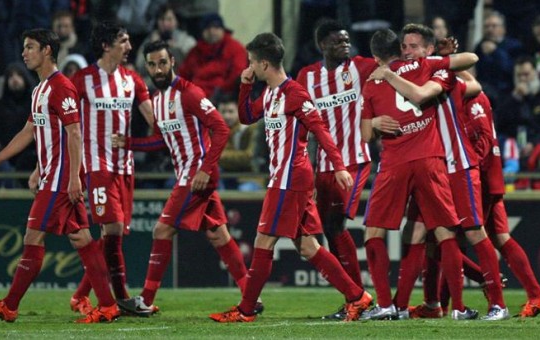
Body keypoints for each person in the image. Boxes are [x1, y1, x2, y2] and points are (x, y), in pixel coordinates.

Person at [209, 32, 372, 323]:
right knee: (308, 246)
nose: (248, 68)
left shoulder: (294, 93)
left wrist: (339, 166)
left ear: (263, 63)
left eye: (251, 64)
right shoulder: (270, 94)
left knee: (263, 240)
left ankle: (246, 310)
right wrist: (245, 85)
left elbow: (321, 130)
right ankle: (357, 297)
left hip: (290, 179)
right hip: (284, 178)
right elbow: (246, 116)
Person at [0, 28, 118, 324]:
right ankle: (107, 304)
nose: (24, 53)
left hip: (60, 181)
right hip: (52, 176)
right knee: (82, 239)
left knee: (33, 236)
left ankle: (9, 306)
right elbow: (31, 131)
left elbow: (74, 133)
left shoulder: (61, 87)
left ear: (47, 51)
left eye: (30, 47)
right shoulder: (39, 90)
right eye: (24, 47)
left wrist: (74, 179)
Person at [111, 40, 253, 317]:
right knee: (218, 234)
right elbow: (161, 142)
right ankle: (251, 295)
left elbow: (221, 130)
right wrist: (128, 143)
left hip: (196, 173)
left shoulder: (189, 93)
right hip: (191, 174)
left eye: (162, 62)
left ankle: (146, 300)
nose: (157, 68)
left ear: (172, 61)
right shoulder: (157, 99)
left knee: (161, 230)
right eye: (152, 64)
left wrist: (204, 169)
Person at [377, 23, 508, 321]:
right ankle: (410, 305)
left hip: (458, 165)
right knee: (419, 232)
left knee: (474, 231)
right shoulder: (405, 76)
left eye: (413, 47)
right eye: (404, 47)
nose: (406, 52)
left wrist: (390, 73)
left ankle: (497, 303)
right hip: (430, 167)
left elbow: (450, 88)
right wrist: (373, 123)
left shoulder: (440, 74)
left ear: (428, 51)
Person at [359, 28, 478, 321]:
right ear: (400, 49)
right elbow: (470, 60)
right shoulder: (424, 65)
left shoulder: (371, 83)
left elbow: (364, 134)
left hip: (394, 163)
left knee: (374, 231)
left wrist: (375, 121)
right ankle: (459, 309)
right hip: (430, 160)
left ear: (376, 57)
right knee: (444, 232)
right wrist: (443, 55)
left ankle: (386, 304)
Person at [68, 21, 155, 315]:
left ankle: (81, 295)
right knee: (113, 227)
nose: (130, 47)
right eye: (124, 41)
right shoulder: (82, 80)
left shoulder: (133, 80)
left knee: (112, 234)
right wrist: (44, 163)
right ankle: (122, 297)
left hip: (124, 168)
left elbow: (156, 120)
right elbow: (64, 124)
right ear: (106, 45)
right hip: (96, 165)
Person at [296, 19, 377, 320]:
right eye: (337, 41)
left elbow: (390, 63)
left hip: (354, 161)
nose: (344, 44)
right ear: (322, 46)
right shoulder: (307, 77)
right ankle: (353, 299)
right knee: (330, 230)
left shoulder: (361, 68)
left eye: (346, 40)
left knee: (336, 226)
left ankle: (358, 298)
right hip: (323, 166)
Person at [469, 91, 540, 317]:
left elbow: (482, 140)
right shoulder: (478, 94)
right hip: (491, 174)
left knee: (453, 236)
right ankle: (536, 294)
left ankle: (492, 300)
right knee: (499, 237)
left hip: (479, 177)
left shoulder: (467, 95)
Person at [178, 13, 247, 99]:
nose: (212, 31)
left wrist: (222, 91)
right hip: (195, 96)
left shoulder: (235, 48)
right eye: (207, 28)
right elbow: (183, 74)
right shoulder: (195, 51)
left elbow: (237, 74)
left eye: (216, 27)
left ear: (223, 29)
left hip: (223, 97)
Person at [473, 11, 525, 105]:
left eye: (494, 26)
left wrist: (496, 52)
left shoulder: (514, 46)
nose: (490, 29)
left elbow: (511, 69)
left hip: (506, 91)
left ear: (503, 29)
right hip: (484, 91)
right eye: (487, 26)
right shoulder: (479, 47)